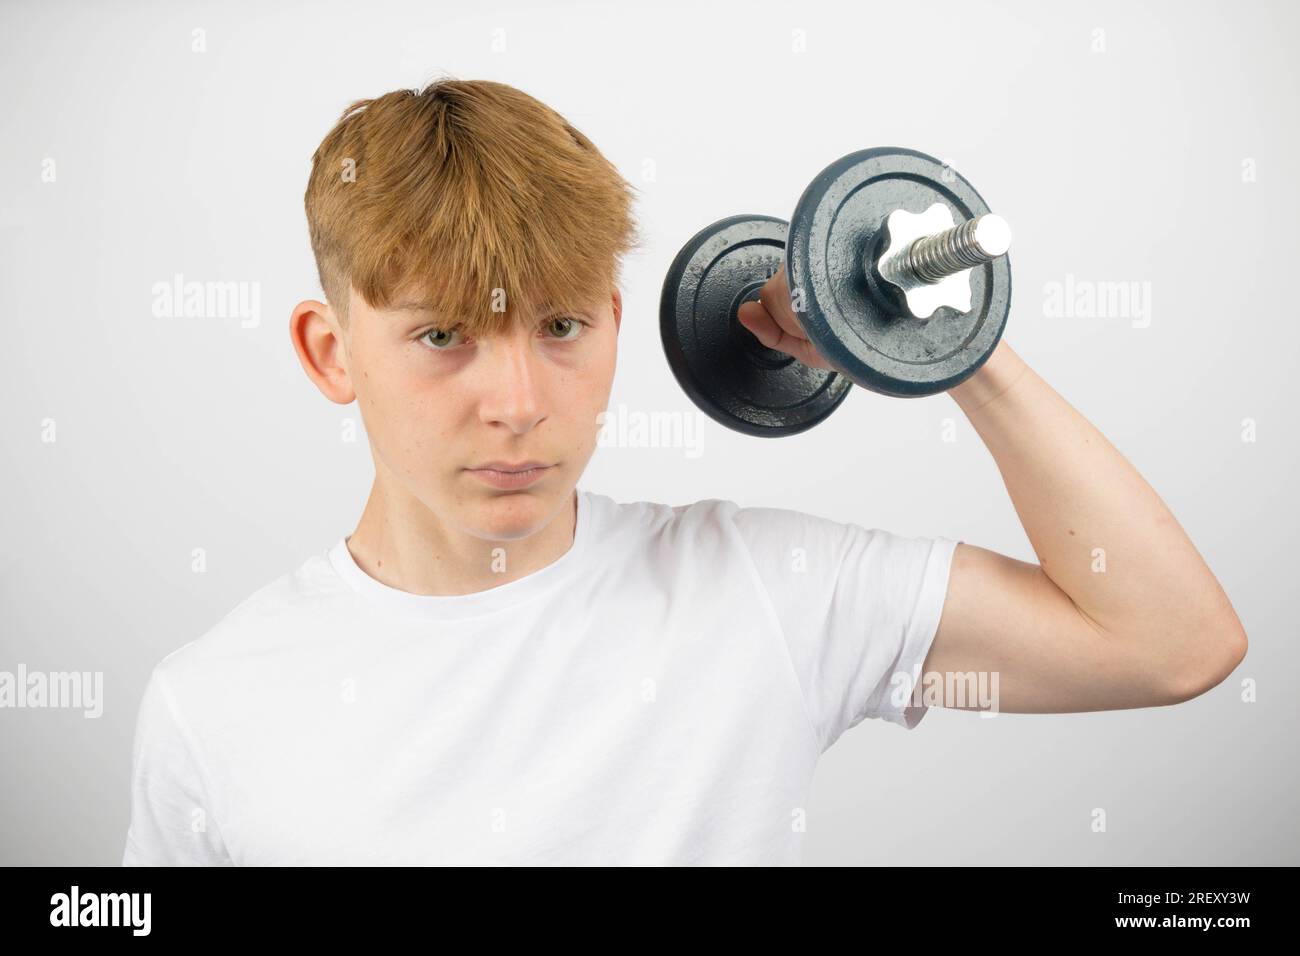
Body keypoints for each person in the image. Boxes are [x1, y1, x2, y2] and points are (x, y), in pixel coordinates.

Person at [121, 77, 1247, 866]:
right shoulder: (211, 701)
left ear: (615, 324)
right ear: (332, 353)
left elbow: (1171, 643)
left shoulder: (761, 589)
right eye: (441, 336)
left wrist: (939, 345)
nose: (518, 402)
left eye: (561, 326)